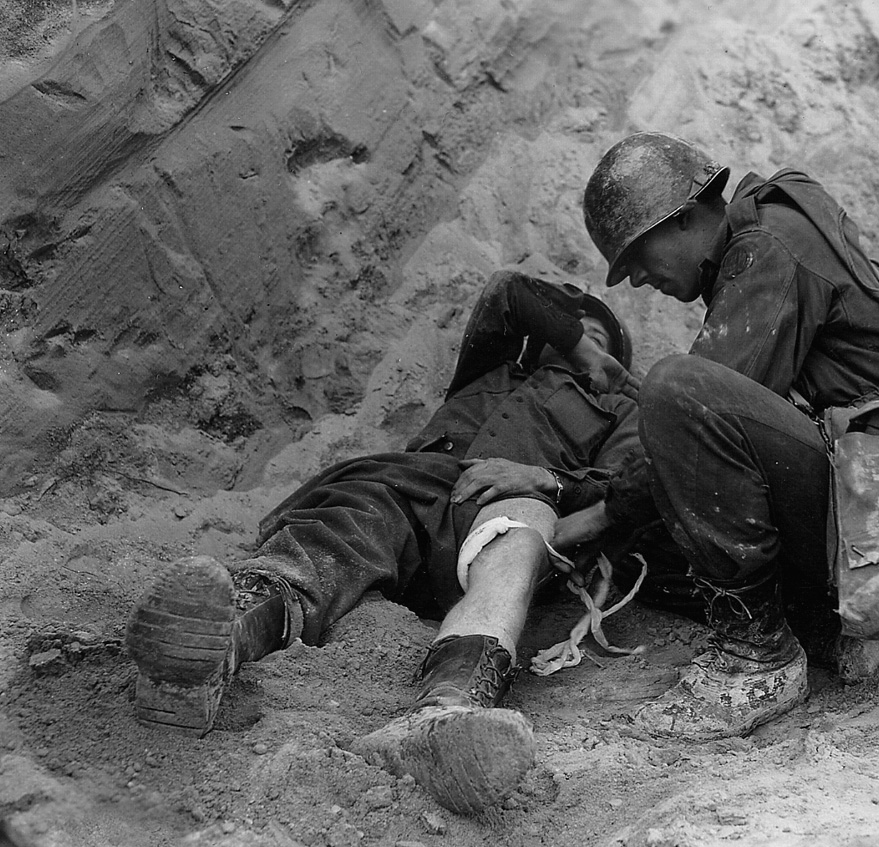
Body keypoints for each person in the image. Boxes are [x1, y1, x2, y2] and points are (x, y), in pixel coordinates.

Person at [125, 270, 640, 813]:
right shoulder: (492, 367)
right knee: (344, 521)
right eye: (569, 330)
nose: (580, 340)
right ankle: (216, 643)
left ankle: (445, 711)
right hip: (412, 483)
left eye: (599, 337)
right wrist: (584, 347)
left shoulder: (625, 410)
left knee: (519, 537)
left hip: (508, 501)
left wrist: (546, 481)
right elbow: (508, 293)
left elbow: (625, 495)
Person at [556, 131, 879, 741]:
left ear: (686, 217)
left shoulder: (765, 250)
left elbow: (697, 420)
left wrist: (600, 512)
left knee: (675, 389)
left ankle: (757, 658)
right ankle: (835, 630)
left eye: (636, 256)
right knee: (664, 553)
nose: (635, 280)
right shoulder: (767, 234)